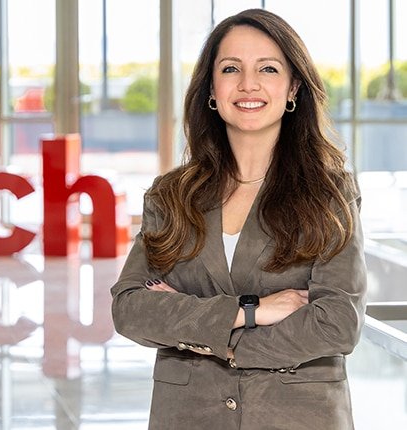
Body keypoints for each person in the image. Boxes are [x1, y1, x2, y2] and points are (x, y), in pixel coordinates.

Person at [111, 8, 366, 430]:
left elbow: (336, 323)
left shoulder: (329, 193)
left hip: (296, 418)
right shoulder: (171, 195)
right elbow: (131, 309)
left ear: (293, 88)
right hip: (188, 416)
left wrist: (220, 343)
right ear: (211, 88)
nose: (248, 84)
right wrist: (252, 310)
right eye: (231, 68)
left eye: (268, 68)